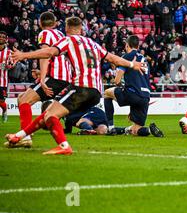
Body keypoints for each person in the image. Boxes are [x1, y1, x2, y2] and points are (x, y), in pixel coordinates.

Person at [6, 16, 145, 155]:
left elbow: (49, 52)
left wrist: (23, 55)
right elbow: (113, 58)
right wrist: (132, 64)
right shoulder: (93, 43)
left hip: (82, 87)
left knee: (50, 115)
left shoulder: (68, 40)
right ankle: (19, 136)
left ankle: (63, 146)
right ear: (81, 29)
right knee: (49, 114)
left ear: (67, 28)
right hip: (96, 92)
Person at [9, 12, 71, 149]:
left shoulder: (45, 33)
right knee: (22, 98)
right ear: (55, 23)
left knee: (24, 100)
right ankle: (26, 134)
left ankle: (24, 137)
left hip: (54, 77)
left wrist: (42, 78)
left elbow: (45, 55)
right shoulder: (61, 35)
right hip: (65, 78)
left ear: (40, 23)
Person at [104, 35, 164, 137]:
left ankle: (110, 127)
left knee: (106, 93)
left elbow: (117, 80)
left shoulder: (126, 57)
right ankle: (149, 130)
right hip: (145, 96)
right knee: (136, 130)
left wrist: (121, 86)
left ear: (127, 45)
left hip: (133, 93)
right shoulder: (144, 59)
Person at [0, 31, 14, 122]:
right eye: (0, 36)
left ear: (6, 39)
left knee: (1, 102)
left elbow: (12, 65)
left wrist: (7, 66)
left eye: (3, 37)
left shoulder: (9, 52)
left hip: (2, 81)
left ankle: (4, 111)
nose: (1, 38)